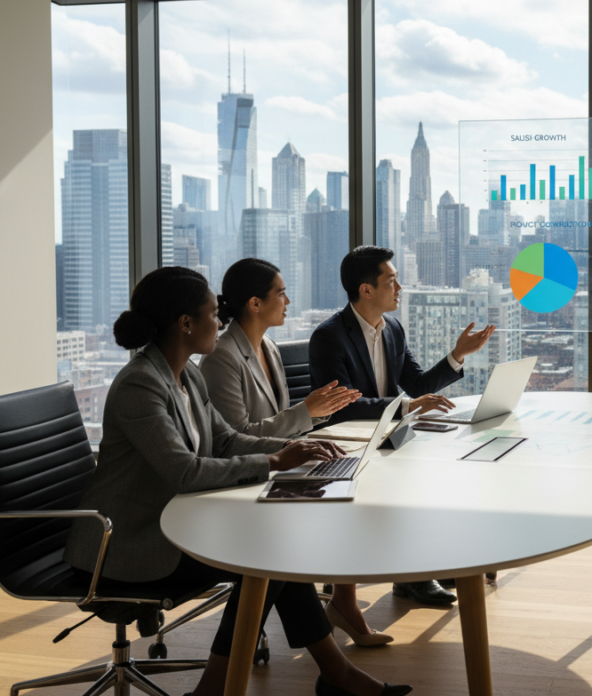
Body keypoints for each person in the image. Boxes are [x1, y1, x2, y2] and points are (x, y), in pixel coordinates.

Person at [64, 267, 411, 696]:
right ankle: (230, 688)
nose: (221, 321)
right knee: (263, 560)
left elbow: (225, 438)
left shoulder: (186, 373)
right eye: (213, 314)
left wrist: (290, 453)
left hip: (170, 518)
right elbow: (185, 470)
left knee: (278, 549)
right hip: (125, 542)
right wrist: (272, 460)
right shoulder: (140, 385)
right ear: (185, 323)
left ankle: (330, 675)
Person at [200, 258, 392, 647]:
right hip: (243, 476)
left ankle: (341, 609)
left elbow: (280, 422)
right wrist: (306, 415)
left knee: (352, 485)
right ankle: (332, 620)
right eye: (281, 293)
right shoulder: (222, 356)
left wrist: (308, 428)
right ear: (255, 303)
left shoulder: (268, 347)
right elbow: (234, 437)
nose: (288, 300)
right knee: (303, 535)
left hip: (276, 465)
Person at [309, 246, 495, 605]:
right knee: (416, 476)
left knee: (447, 460)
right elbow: (341, 409)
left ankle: (420, 564)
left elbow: (418, 386)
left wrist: (457, 355)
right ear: (366, 290)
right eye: (391, 280)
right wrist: (407, 406)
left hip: (388, 433)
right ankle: (415, 575)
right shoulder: (329, 336)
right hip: (349, 440)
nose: (400, 287)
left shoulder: (392, 327)